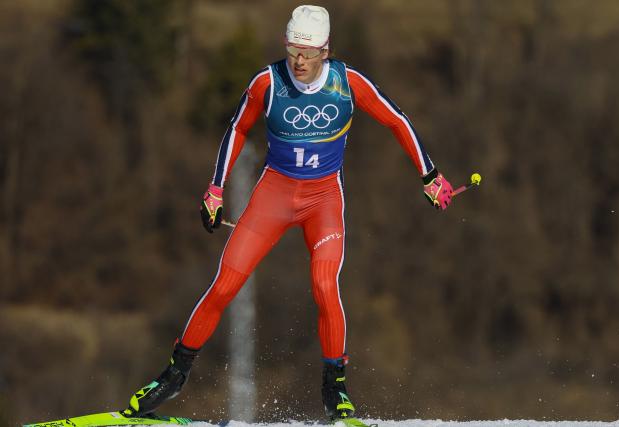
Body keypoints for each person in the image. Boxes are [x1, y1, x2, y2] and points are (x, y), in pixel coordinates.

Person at [124, 4, 453, 422]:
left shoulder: (348, 83)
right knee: (225, 283)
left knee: (324, 285)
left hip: (323, 199)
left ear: (325, 51)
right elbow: (237, 129)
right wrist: (214, 188)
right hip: (274, 195)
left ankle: (336, 390)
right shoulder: (268, 82)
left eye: (308, 53)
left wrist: (429, 174)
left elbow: (397, 120)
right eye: (293, 50)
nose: (298, 61)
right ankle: (174, 375)